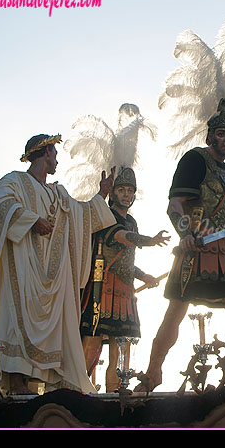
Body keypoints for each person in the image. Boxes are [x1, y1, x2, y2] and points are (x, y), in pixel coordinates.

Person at [0, 134, 117, 395]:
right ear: (45, 152)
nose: (57, 159)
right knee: (16, 320)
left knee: (49, 328)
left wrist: (102, 193)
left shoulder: (56, 193)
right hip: (22, 267)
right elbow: (1, 205)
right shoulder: (14, 181)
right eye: (55, 153)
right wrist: (30, 220)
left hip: (51, 276)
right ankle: (16, 383)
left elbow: (82, 216)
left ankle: (35, 387)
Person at [134, 100, 225, 392]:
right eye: (222, 133)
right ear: (211, 135)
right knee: (175, 312)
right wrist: (185, 234)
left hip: (223, 250)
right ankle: (153, 374)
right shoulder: (194, 160)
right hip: (195, 250)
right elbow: (175, 204)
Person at [79, 167, 170, 392]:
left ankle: (115, 393)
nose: (126, 194)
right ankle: (76, 390)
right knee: (92, 341)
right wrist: (151, 240)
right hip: (102, 286)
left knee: (123, 346)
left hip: (125, 289)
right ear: (113, 192)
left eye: (130, 190)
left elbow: (127, 261)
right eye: (121, 189)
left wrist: (143, 275)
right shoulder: (105, 215)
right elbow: (121, 237)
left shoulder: (132, 221)